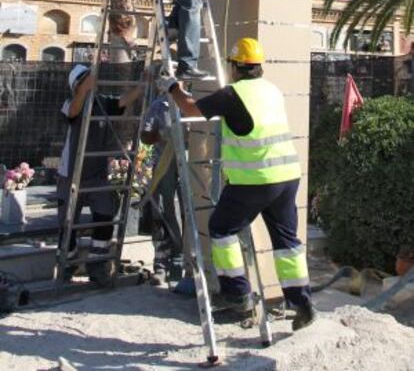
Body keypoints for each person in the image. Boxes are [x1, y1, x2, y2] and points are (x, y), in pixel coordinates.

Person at [161, 37, 316, 331]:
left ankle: (238, 294)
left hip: (254, 180)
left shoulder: (232, 94)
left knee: (221, 229)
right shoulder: (272, 90)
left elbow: (191, 110)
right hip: (287, 177)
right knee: (287, 242)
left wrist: (171, 87)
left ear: (234, 66)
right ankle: (302, 302)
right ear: (258, 66)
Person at [57, 63, 142, 286]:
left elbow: (124, 100)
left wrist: (145, 81)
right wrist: (84, 90)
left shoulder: (102, 103)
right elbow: (74, 112)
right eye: (86, 79)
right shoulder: (70, 104)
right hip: (71, 174)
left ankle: (97, 265)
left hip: (96, 175)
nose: (93, 81)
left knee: (104, 217)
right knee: (67, 223)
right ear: (78, 85)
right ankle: (68, 262)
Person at [140, 94, 184, 286]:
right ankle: (163, 263)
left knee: (187, 214)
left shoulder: (191, 102)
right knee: (165, 214)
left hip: (187, 166)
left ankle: (182, 260)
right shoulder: (157, 107)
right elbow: (145, 135)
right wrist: (161, 135)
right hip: (165, 167)